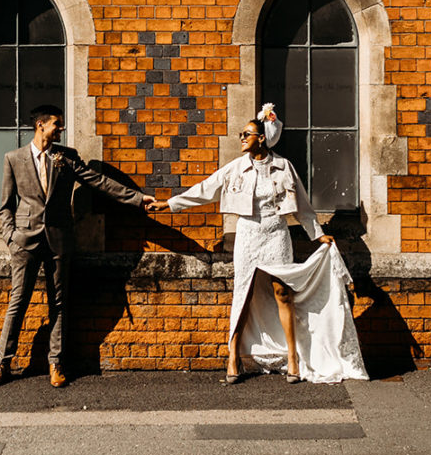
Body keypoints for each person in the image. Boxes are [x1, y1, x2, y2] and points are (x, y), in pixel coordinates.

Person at [148, 104, 367, 384]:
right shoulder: (236, 168)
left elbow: (302, 205)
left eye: (247, 134)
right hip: (248, 235)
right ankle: (233, 356)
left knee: (283, 294)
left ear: (261, 138)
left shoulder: (283, 166)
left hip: (277, 234)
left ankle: (292, 358)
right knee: (243, 293)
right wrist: (169, 204)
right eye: (242, 134)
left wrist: (317, 234)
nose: (242, 138)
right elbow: (206, 188)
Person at [0, 105, 155, 388]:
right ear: (40, 125)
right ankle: (2, 363)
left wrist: (138, 199)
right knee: (18, 302)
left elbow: (99, 182)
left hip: (59, 239)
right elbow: (5, 206)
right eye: (56, 124)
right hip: (25, 241)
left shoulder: (66, 158)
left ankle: (56, 363)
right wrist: (11, 236)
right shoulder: (13, 158)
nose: (60, 129)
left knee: (60, 304)